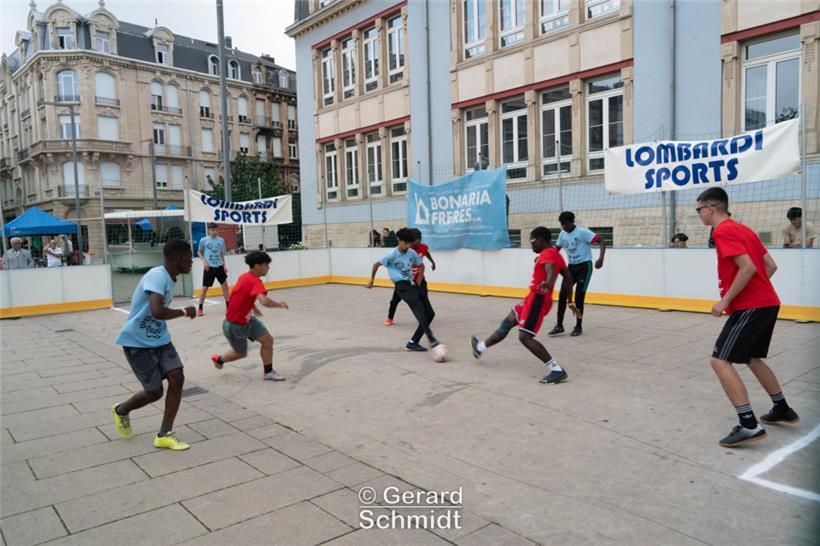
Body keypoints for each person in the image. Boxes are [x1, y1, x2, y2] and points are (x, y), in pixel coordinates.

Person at [696, 187, 799, 448]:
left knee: (719, 361)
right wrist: (758, 289)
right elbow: (770, 266)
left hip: (750, 306)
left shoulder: (722, 231)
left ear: (710, 207)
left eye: (699, 210)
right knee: (752, 358)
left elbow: (748, 267)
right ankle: (782, 408)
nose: (698, 215)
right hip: (767, 303)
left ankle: (749, 425)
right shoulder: (745, 229)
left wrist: (726, 300)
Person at [112, 239, 197, 450]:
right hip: (137, 343)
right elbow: (157, 311)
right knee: (154, 392)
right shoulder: (157, 276)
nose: (192, 262)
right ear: (178, 257)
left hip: (160, 340)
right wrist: (184, 312)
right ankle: (121, 410)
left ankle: (164, 434)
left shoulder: (170, 277)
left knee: (177, 378)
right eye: (189, 257)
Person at [470, 227, 578, 384]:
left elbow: (549, 268)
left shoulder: (548, 254)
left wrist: (548, 282)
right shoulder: (555, 254)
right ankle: (479, 348)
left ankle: (556, 370)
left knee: (525, 337)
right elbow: (568, 277)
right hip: (532, 298)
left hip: (538, 300)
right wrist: (570, 301)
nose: (531, 245)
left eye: (532, 241)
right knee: (509, 320)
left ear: (541, 240)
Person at [211, 251, 288, 381]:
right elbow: (264, 301)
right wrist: (279, 304)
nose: (268, 268)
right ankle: (219, 359)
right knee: (241, 353)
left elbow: (240, 295)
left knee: (268, 340)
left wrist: (252, 306)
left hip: (248, 320)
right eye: (266, 265)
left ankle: (268, 372)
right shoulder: (255, 281)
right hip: (234, 326)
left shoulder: (244, 277)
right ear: (257, 266)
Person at [367, 227, 440, 352]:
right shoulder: (392, 254)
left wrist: (418, 282)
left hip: (411, 284)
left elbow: (421, 266)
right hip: (401, 286)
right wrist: (371, 280)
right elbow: (376, 264)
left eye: (409, 243)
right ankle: (432, 339)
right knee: (418, 308)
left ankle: (413, 342)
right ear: (399, 240)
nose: (407, 246)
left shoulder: (412, 253)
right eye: (405, 243)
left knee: (430, 314)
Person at [548, 211, 605, 337]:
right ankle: (559, 325)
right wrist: (544, 257)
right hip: (571, 268)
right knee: (563, 294)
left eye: (566, 224)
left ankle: (578, 326)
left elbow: (601, 240)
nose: (564, 227)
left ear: (572, 222)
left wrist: (601, 258)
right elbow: (555, 250)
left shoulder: (582, 232)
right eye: (562, 225)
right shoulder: (562, 235)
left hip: (585, 267)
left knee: (579, 296)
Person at [385, 228, 436, 326]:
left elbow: (426, 253)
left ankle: (424, 317)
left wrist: (432, 262)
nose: (417, 240)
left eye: (419, 238)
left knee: (423, 297)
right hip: (405, 281)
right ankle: (390, 317)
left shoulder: (423, 247)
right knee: (395, 300)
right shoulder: (405, 250)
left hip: (419, 279)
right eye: (415, 238)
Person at [197, 223, 229, 316]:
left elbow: (222, 254)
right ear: (209, 231)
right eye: (212, 230)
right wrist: (205, 262)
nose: (214, 232)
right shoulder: (203, 240)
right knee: (204, 288)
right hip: (209, 268)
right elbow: (199, 252)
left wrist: (224, 266)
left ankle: (228, 307)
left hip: (219, 267)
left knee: (225, 287)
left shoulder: (221, 240)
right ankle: (200, 308)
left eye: (216, 230)